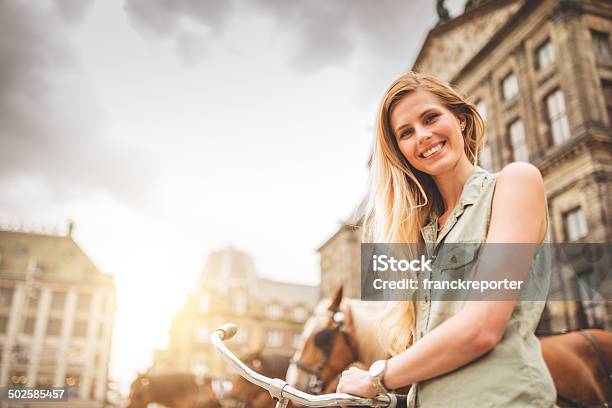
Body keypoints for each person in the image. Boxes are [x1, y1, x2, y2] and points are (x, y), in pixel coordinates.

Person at [336, 71, 556, 407]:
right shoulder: (420, 237)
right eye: (406, 133)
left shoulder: (514, 183)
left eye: (431, 118)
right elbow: (433, 371)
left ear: (463, 120)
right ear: (402, 152)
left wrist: (374, 379)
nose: (422, 136)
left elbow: (482, 327)